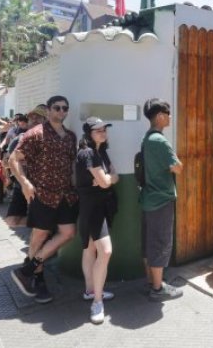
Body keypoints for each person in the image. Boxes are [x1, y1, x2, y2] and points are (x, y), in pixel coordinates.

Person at [8, 95, 78, 304]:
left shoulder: (71, 136)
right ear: (48, 110)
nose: (61, 111)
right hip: (43, 194)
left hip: (65, 194)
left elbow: (71, 165)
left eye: (65, 108)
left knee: (68, 233)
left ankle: (27, 270)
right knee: (39, 236)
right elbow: (13, 160)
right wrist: (25, 183)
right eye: (57, 108)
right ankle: (37, 278)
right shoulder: (35, 134)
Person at [76, 117, 119, 324]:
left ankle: (90, 291)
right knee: (105, 251)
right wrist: (106, 179)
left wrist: (106, 179)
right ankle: (97, 302)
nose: (103, 132)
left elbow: (114, 176)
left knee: (90, 249)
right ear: (89, 134)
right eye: (98, 130)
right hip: (92, 209)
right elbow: (105, 182)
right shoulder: (88, 153)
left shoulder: (101, 152)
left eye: (104, 129)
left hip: (100, 207)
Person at [140, 98, 184, 301]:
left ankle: (152, 281)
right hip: (161, 199)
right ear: (159, 116)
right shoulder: (159, 140)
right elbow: (178, 167)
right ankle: (158, 289)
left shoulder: (147, 138)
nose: (170, 117)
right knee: (160, 242)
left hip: (149, 198)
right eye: (167, 114)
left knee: (149, 241)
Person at [4, 107, 47, 228]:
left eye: (38, 117)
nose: (34, 119)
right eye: (31, 117)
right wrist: (10, 173)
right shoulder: (20, 138)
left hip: (41, 187)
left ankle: (45, 224)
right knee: (12, 221)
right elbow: (6, 162)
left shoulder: (51, 138)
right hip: (22, 185)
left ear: (45, 120)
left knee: (41, 226)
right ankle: (45, 223)